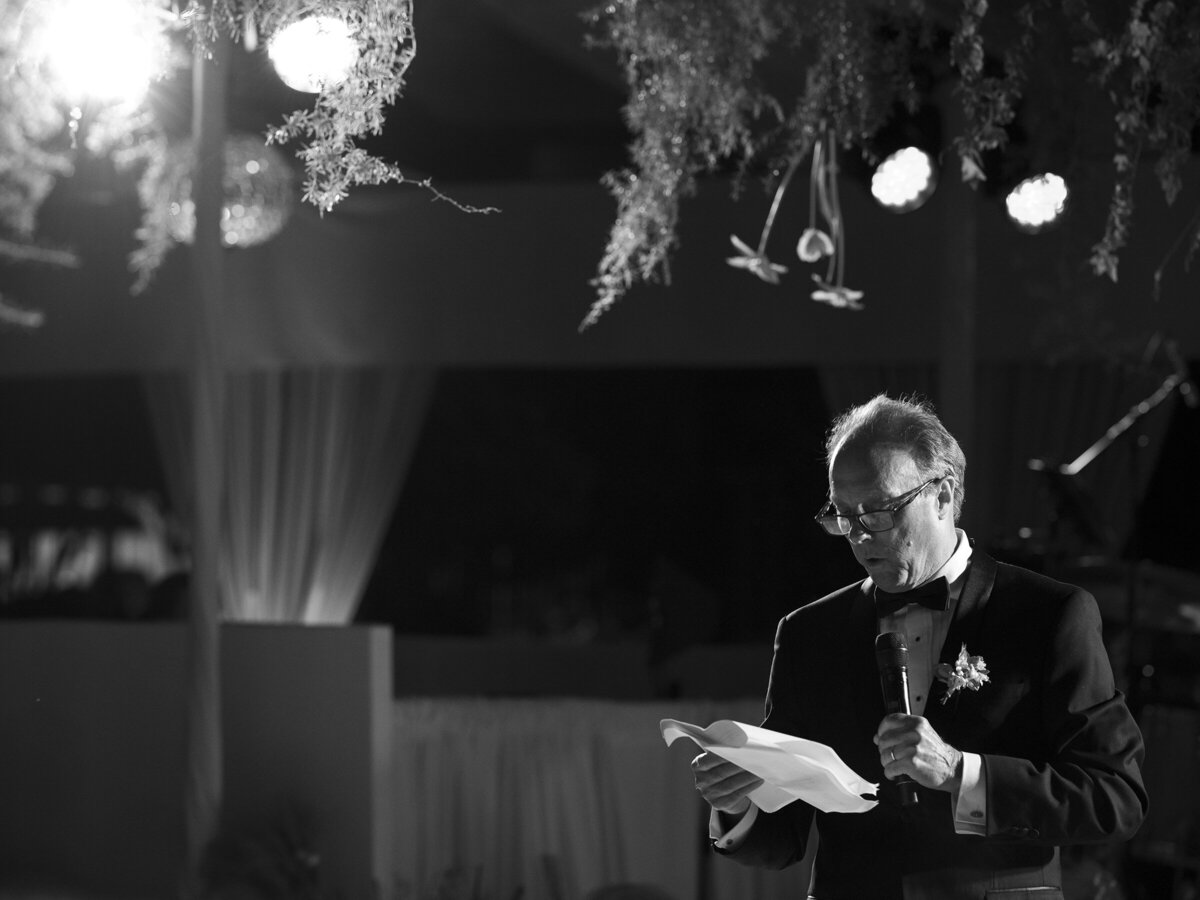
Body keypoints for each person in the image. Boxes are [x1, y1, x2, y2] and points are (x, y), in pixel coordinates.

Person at [691, 393, 1147, 899]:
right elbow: (782, 839)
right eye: (844, 515)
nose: (860, 536)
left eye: (879, 511)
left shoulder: (1048, 614)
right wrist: (737, 803)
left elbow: (1115, 798)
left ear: (943, 495)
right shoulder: (808, 634)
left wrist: (959, 772)